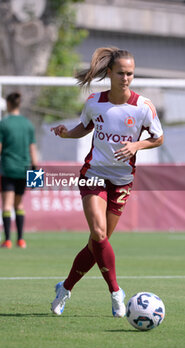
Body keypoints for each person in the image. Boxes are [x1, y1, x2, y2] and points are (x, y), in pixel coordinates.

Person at [50, 47, 164, 317]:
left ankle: (65, 287)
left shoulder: (143, 106)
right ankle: (116, 292)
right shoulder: (94, 102)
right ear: (110, 73)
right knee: (99, 234)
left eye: (130, 73)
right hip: (94, 175)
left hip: (122, 181)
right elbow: (86, 126)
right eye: (121, 73)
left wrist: (136, 145)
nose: (126, 78)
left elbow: (158, 137)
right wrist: (67, 134)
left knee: (96, 243)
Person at [0, 92, 38, 248]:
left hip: (8, 168)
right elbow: (32, 148)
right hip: (24, 169)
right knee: (20, 205)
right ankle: (21, 239)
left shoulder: (3, 123)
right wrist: (35, 167)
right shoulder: (27, 124)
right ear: (19, 104)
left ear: (8, 104)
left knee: (7, 205)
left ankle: (7, 240)